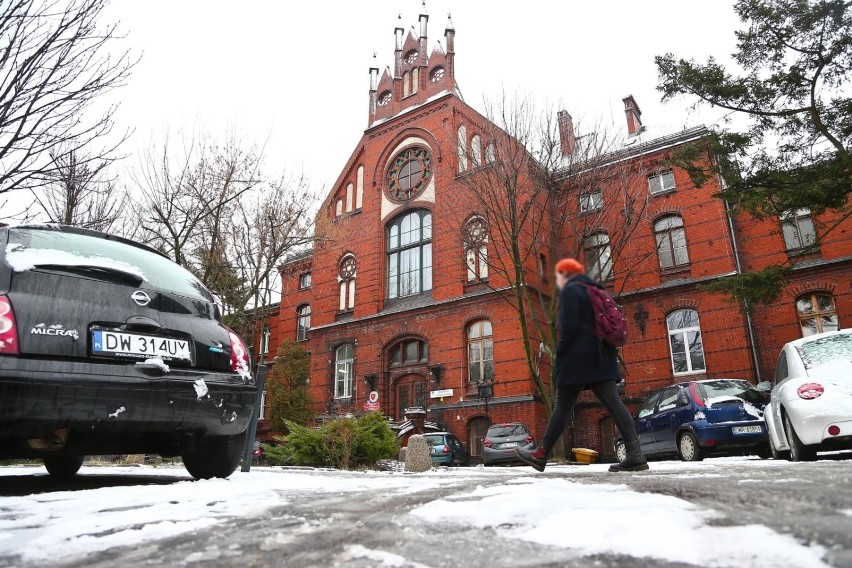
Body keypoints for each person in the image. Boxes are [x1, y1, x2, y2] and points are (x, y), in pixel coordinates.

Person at [515, 258, 648, 472]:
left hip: (578, 358)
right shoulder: (595, 290)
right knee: (615, 403)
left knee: (562, 406)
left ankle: (540, 454)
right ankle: (635, 453)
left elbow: (569, 326)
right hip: (601, 355)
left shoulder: (571, 290)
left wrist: (560, 352)